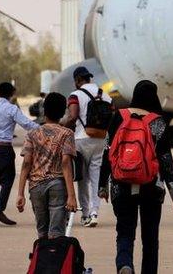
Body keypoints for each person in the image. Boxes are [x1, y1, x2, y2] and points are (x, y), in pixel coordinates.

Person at [99, 80, 173, 274]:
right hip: (151, 186)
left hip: (121, 184)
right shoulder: (157, 121)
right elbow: (165, 158)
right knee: (150, 238)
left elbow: (107, 151)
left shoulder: (118, 117)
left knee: (125, 232)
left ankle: (125, 264)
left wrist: (102, 185)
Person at [0, 81, 39, 226]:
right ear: (12, 94)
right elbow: (27, 124)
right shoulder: (12, 109)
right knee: (8, 179)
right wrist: (44, 128)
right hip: (4, 148)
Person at [16, 92, 78, 239]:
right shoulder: (67, 133)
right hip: (57, 185)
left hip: (36, 187)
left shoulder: (32, 134)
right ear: (63, 112)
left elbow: (26, 164)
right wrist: (71, 196)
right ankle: (55, 261)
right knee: (56, 233)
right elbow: (65, 162)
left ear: (44, 110)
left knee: (42, 233)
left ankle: (42, 260)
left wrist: (20, 193)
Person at [62, 65, 112, 227]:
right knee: (96, 178)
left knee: (82, 179)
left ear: (77, 80)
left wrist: (60, 126)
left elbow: (73, 116)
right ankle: (95, 212)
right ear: (89, 78)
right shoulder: (104, 94)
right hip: (100, 139)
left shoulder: (75, 95)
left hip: (81, 140)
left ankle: (85, 214)